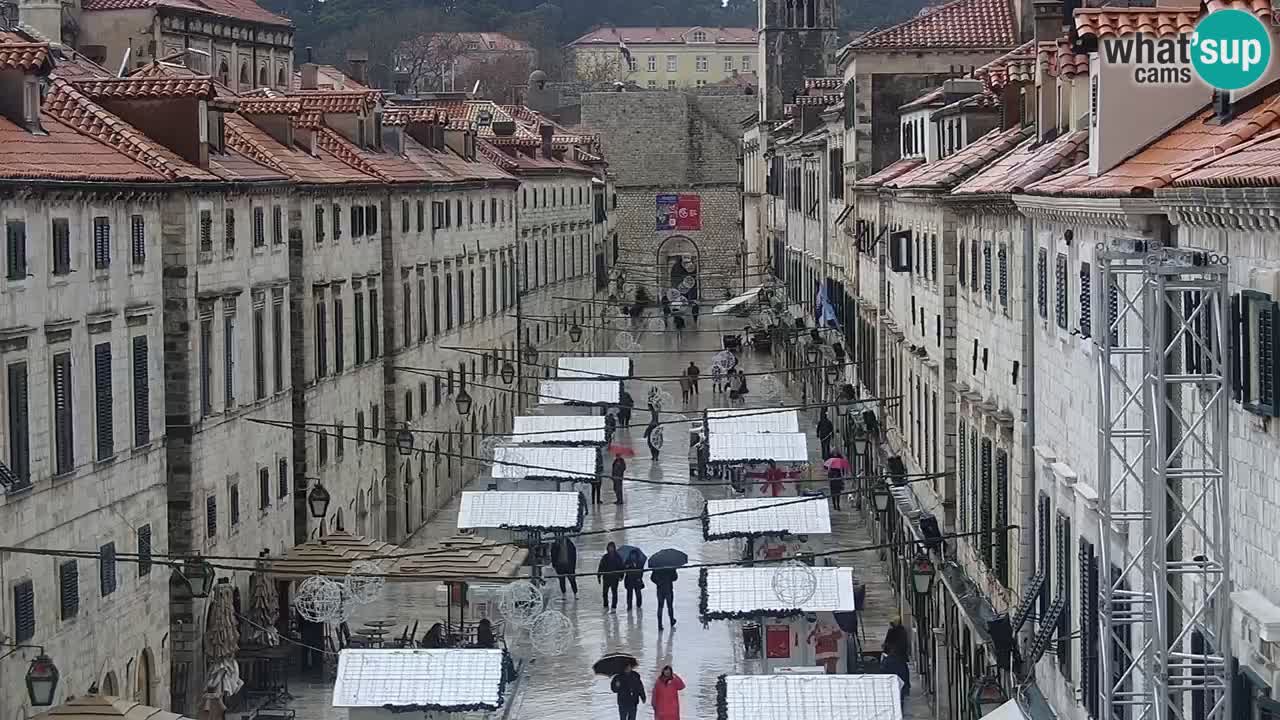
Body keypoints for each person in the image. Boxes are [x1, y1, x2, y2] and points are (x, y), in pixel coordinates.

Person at [598, 542, 625, 611]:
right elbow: (601, 566)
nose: (611, 549)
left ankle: (613, 607)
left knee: (614, 593)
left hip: (614, 578)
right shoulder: (605, 557)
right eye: (610, 547)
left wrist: (621, 576)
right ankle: (606, 605)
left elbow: (621, 567)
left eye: (612, 547)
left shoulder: (618, 557)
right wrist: (599, 576)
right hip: (606, 578)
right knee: (605, 593)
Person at [652, 566, 678, 630]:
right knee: (670, 606)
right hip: (668, 588)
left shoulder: (657, 565)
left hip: (660, 589)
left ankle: (659, 624)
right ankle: (671, 620)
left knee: (660, 606)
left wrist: (658, 582)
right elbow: (675, 578)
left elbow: (652, 578)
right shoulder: (670, 565)